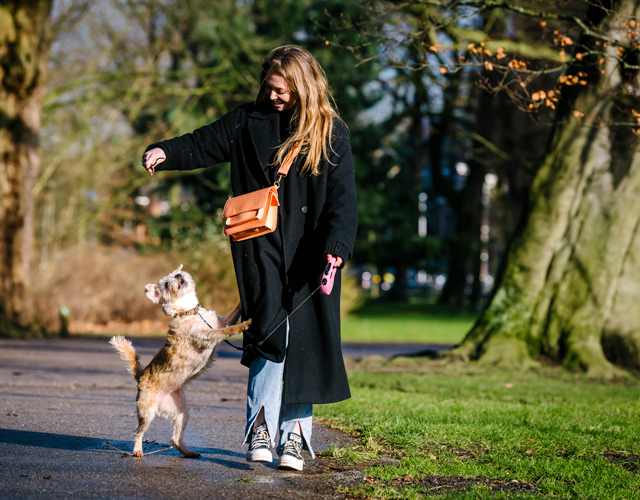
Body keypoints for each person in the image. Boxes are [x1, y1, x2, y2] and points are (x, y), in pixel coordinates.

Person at [142, 45, 357, 471]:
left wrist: (336, 248)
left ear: (305, 87)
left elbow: (343, 200)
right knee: (268, 335)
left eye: (284, 90)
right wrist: (165, 151)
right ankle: (259, 427)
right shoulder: (246, 121)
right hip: (258, 248)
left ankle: (294, 438)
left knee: (306, 342)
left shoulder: (330, 133)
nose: (276, 96)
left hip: (313, 254)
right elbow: (204, 143)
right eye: (271, 88)